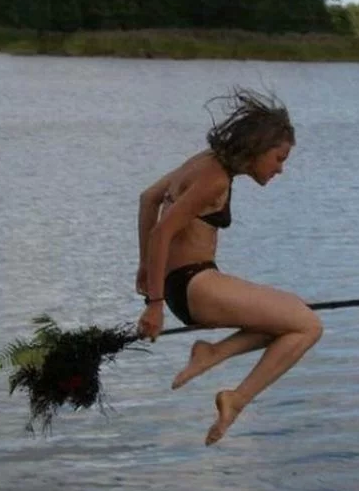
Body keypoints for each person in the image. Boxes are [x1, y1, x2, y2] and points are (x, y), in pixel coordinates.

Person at [136, 89, 323, 445]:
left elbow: (149, 199)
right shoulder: (215, 179)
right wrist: (154, 304)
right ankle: (235, 399)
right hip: (194, 284)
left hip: (185, 284)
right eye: (279, 158)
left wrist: (146, 267)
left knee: (292, 315)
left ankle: (213, 353)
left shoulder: (203, 161)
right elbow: (163, 231)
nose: (280, 169)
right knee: (309, 326)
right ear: (258, 147)